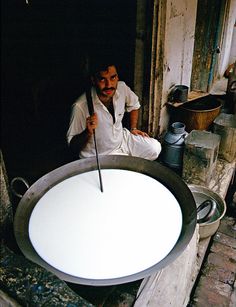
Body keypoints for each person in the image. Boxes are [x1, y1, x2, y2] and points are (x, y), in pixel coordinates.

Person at [67, 57, 161, 160]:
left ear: (117, 77)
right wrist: (87, 132)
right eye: (102, 79)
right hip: (100, 156)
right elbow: (72, 146)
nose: (109, 85)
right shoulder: (80, 106)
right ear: (93, 80)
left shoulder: (122, 87)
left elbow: (134, 105)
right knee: (124, 174)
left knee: (154, 148)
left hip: (122, 141)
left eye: (113, 77)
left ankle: (126, 159)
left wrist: (133, 128)